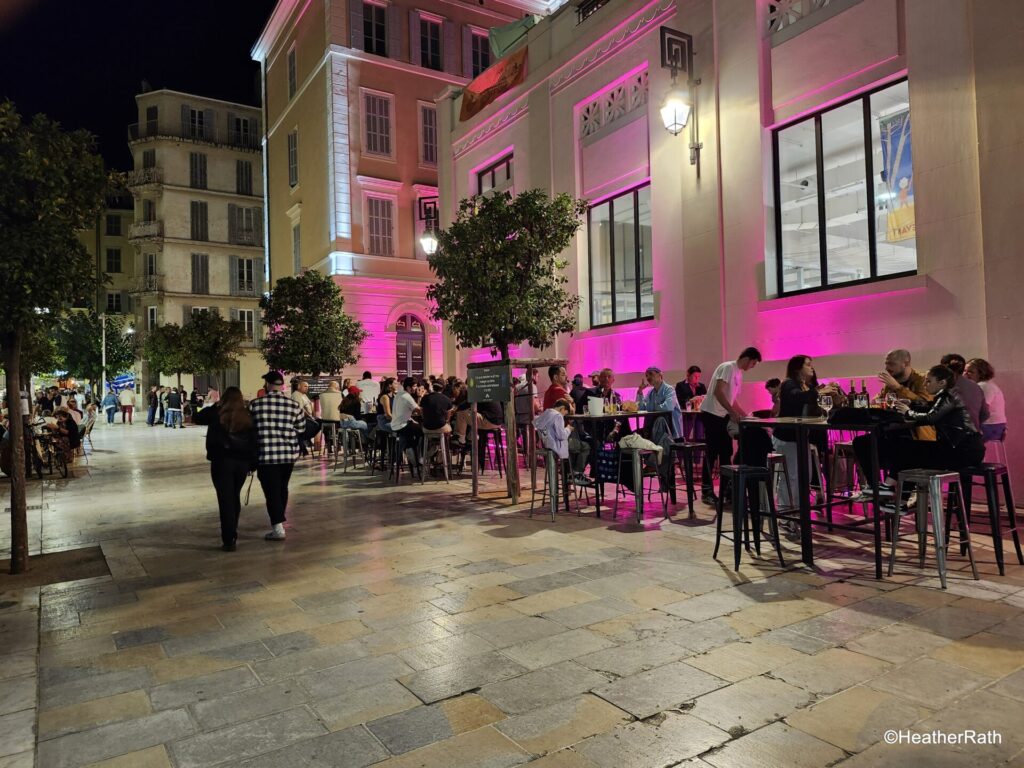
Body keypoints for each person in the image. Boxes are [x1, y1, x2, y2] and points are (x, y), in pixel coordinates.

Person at [855, 365, 985, 489]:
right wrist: (911, 404)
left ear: (942, 383)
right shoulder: (949, 394)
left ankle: (889, 488)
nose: (924, 384)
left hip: (961, 452)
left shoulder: (947, 396)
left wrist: (908, 412)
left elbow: (930, 417)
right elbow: (930, 407)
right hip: (966, 449)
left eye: (928, 381)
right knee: (909, 450)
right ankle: (897, 495)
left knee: (908, 450)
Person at [194, 387, 259, 551]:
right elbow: (254, 441)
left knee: (225, 499)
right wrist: (253, 463)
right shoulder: (247, 415)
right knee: (234, 495)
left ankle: (228, 538)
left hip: (222, 461)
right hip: (241, 463)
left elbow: (197, 417)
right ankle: (232, 531)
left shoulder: (216, 413)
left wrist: (216, 405)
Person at [771, 357, 840, 509]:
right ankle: (786, 514)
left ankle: (798, 512)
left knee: (805, 476)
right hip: (787, 437)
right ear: (797, 368)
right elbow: (798, 398)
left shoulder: (805, 386)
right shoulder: (788, 383)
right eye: (808, 365)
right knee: (792, 477)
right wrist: (819, 391)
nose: (812, 368)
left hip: (801, 438)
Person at [699, 346, 762, 504]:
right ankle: (707, 491)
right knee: (712, 452)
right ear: (747, 358)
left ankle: (728, 491)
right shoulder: (728, 367)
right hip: (712, 414)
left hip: (722, 415)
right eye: (753, 363)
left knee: (726, 452)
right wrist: (732, 413)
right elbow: (718, 392)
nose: (752, 367)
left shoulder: (738, 374)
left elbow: (733, 399)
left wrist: (744, 415)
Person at [249, 371, 305, 541]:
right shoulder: (293, 405)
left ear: (266, 385)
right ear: (282, 386)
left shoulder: (255, 405)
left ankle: (278, 527)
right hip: (288, 455)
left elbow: (249, 429)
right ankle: (279, 521)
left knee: (271, 491)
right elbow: (301, 428)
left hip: (265, 455)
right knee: (282, 487)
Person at [877, 349, 934, 440]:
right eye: (886, 364)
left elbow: (925, 404)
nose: (886, 368)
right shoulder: (891, 382)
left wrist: (898, 388)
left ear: (906, 364)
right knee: (862, 442)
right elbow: (881, 401)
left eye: (891, 364)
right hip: (892, 428)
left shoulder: (922, 381)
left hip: (915, 432)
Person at [534, 397, 591, 484]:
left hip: (547, 445)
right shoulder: (558, 416)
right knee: (585, 446)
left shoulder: (546, 413)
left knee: (574, 446)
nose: (564, 416)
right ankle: (576, 473)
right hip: (557, 445)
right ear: (562, 408)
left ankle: (568, 472)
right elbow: (561, 436)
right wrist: (568, 428)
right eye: (565, 414)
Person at [940, 353, 988, 430]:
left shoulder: (948, 387)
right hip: (974, 434)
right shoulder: (976, 386)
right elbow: (985, 414)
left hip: (954, 435)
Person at [965, 358, 1007, 445]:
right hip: (996, 426)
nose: (965, 374)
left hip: (990, 427)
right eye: (965, 371)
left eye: (970, 372)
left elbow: (982, 410)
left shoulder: (983, 386)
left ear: (981, 373)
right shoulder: (985, 385)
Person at [635, 366, 683, 439]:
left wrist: (652, 407)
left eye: (651, 374)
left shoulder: (669, 390)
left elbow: (668, 407)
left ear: (660, 375)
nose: (648, 378)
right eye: (647, 376)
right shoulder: (650, 393)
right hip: (654, 427)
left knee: (660, 419)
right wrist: (640, 391)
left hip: (670, 428)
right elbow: (640, 408)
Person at [391, 377, 424, 472]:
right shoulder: (408, 397)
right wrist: (420, 396)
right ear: (409, 387)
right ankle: (415, 452)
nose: (416, 388)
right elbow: (419, 410)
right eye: (414, 386)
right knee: (422, 431)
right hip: (402, 425)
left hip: (395, 425)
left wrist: (410, 419)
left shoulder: (399, 394)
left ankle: (409, 447)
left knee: (414, 428)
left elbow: (401, 411)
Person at [291, 379, 314, 456]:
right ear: (299, 387)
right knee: (316, 425)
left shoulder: (303, 394)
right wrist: (310, 417)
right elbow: (301, 409)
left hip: (308, 417)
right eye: (305, 386)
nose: (307, 388)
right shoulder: (296, 395)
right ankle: (304, 443)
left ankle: (304, 443)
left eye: (308, 386)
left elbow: (309, 404)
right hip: (301, 419)